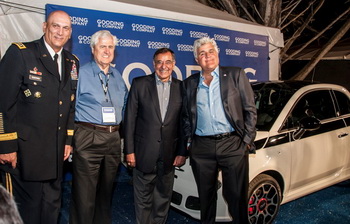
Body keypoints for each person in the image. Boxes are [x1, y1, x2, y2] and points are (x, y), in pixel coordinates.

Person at [0, 10, 79, 224]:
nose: (60, 32)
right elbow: (3, 102)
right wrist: (6, 146)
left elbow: (69, 106)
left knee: (52, 207)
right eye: (55, 26)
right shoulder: (21, 53)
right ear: (45, 26)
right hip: (25, 153)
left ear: (70, 33)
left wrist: (68, 141)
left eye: (65, 28)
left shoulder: (72, 62)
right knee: (26, 210)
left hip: (56, 153)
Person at [182, 37, 257, 224]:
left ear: (217, 54)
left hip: (232, 145)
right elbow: (185, 117)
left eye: (211, 52)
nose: (207, 56)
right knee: (206, 199)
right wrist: (189, 143)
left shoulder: (235, 75)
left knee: (236, 197)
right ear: (196, 59)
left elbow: (250, 110)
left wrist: (245, 142)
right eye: (202, 53)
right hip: (202, 148)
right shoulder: (189, 83)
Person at [69, 30, 128, 224]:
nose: (107, 50)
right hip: (88, 136)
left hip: (112, 139)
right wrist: (70, 140)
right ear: (93, 49)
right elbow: (69, 108)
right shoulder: (81, 74)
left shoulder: (118, 76)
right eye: (103, 46)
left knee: (105, 194)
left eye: (110, 47)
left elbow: (126, 108)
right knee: (84, 197)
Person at [124, 48, 187, 224]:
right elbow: (129, 119)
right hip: (143, 154)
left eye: (168, 62)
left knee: (163, 200)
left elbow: (184, 123)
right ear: (154, 64)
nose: (163, 66)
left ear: (174, 64)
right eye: (159, 62)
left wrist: (182, 151)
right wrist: (129, 151)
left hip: (169, 156)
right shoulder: (139, 84)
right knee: (142, 201)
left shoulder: (182, 88)